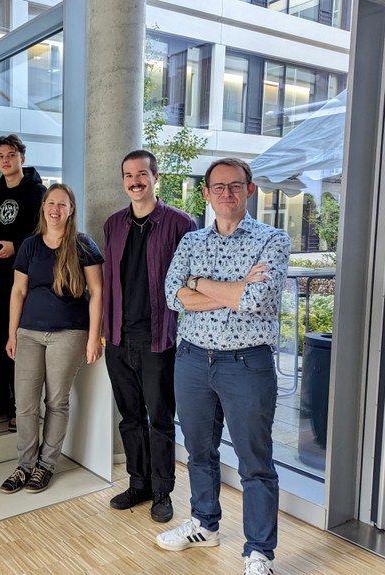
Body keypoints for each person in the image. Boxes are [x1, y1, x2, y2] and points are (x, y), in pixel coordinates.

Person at [157, 158, 290, 575]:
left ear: (250, 190)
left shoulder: (273, 240)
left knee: (255, 461)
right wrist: (234, 291)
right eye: (218, 187)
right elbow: (171, 296)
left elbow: (259, 300)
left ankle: (258, 553)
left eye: (235, 186)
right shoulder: (191, 242)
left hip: (247, 364)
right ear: (207, 194)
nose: (227, 193)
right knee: (198, 451)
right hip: (193, 359)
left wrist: (199, 285)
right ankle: (204, 524)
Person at [103, 150, 196, 523]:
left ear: (155, 178)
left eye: (142, 174)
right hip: (119, 337)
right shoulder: (113, 224)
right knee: (129, 417)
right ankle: (138, 483)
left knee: (159, 418)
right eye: (128, 175)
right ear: (123, 180)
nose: (135, 181)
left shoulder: (180, 223)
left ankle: (162, 492)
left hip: (159, 338)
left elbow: (193, 280)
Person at [0, 183, 104, 495]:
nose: (55, 210)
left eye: (62, 204)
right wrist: (12, 333)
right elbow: (18, 291)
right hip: (29, 333)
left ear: (71, 210)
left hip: (69, 333)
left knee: (56, 401)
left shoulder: (84, 246)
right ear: (44, 207)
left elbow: (97, 292)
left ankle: (45, 466)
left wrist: (94, 338)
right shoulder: (30, 245)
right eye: (50, 203)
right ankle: (24, 465)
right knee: (25, 405)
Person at [0, 134, 46, 432]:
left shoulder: (38, 193)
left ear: (22, 158)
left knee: (17, 346)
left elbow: (42, 235)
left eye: (11, 155)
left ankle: (20, 408)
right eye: (1, 155)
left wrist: (14, 246)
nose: (5, 160)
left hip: (21, 283)